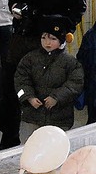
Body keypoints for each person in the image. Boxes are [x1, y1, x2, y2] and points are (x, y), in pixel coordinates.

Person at [0, 0, 86, 150]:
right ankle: (9, 137)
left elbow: (78, 8)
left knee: (50, 90)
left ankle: (50, 140)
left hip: (52, 38)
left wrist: (59, 34)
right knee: (13, 85)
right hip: (24, 33)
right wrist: (14, 8)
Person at [14, 15, 84, 143]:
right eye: (44, 37)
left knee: (56, 148)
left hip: (60, 118)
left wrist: (57, 97)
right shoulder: (29, 59)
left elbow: (75, 85)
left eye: (53, 38)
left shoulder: (70, 63)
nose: (47, 42)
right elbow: (20, 81)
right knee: (31, 146)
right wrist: (28, 97)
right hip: (32, 116)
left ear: (62, 40)